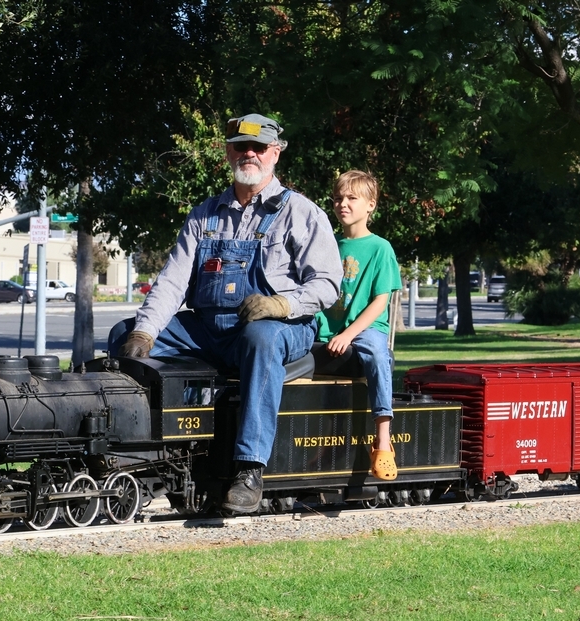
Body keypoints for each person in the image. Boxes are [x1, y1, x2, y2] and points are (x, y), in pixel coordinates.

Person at [110, 113, 342, 513]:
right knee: (121, 334)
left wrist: (282, 304)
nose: (249, 153)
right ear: (228, 153)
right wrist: (144, 332)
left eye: (258, 147)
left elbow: (327, 285)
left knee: (260, 338)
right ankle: (137, 450)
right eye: (240, 146)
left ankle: (250, 469)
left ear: (275, 153)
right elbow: (172, 282)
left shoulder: (302, 213)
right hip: (208, 329)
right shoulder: (204, 215)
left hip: (281, 328)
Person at [315, 170, 403, 480]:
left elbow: (380, 302)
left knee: (378, 356)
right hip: (325, 327)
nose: (343, 204)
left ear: (371, 205)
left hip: (366, 328)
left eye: (352, 198)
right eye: (338, 198)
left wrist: (349, 334)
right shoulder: (327, 244)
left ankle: (383, 441)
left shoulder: (381, 248)